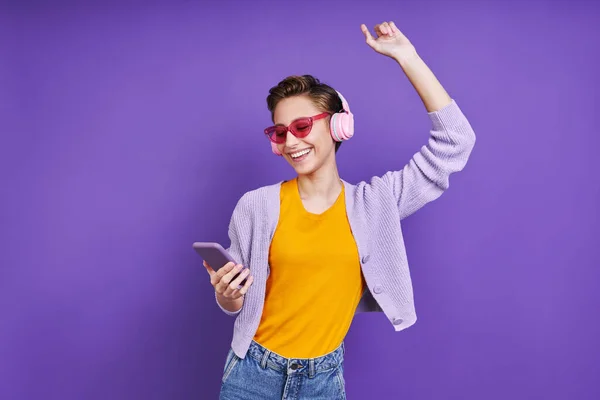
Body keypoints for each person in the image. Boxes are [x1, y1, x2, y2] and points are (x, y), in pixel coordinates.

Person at [203, 20, 476, 400]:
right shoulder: (256, 206)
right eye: (280, 132)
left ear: (339, 126)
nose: (290, 141)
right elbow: (238, 303)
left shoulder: (375, 203)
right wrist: (226, 294)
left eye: (301, 126)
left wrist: (406, 57)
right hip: (252, 374)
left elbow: (456, 143)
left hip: (323, 381)